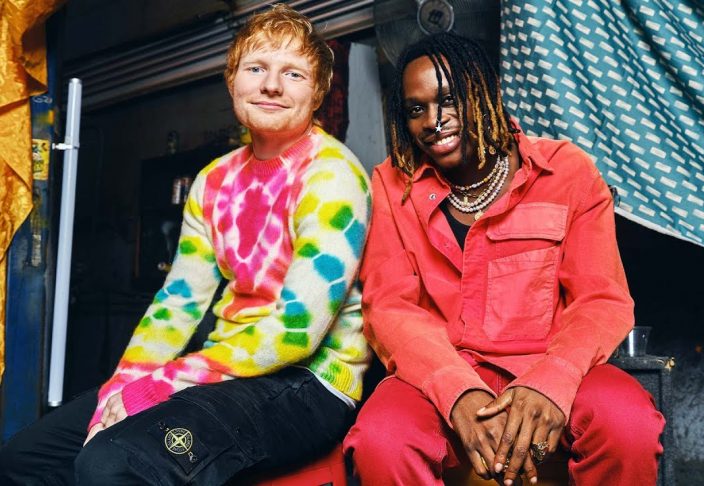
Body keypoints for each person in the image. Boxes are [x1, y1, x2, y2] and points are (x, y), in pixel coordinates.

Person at [0, 4, 371, 485]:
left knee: (111, 464)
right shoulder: (213, 181)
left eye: (293, 73)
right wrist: (121, 388)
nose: (272, 85)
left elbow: (293, 333)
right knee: (25, 458)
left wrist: (159, 386)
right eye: (256, 68)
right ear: (232, 80)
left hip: (309, 382)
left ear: (318, 92)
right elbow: (176, 305)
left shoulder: (332, 176)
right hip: (227, 369)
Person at [344, 32, 665, 485]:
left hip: (549, 361)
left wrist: (551, 381)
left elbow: (600, 299)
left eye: (450, 100)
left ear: (488, 91)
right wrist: (458, 393)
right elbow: (390, 308)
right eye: (416, 109)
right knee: (381, 438)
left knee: (628, 424)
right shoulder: (392, 183)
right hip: (440, 369)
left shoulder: (567, 170)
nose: (434, 121)